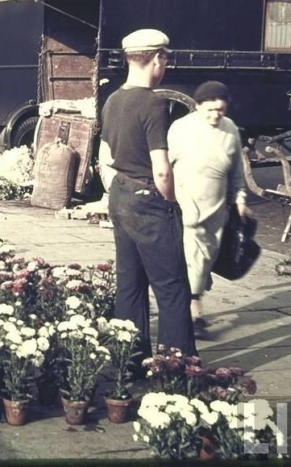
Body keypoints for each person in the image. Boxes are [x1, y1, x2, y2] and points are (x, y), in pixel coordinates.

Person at [98, 28, 197, 360]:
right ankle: (177, 365)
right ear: (157, 59)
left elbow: (106, 155)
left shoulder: (112, 100)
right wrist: (170, 201)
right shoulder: (153, 104)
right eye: (164, 59)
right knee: (172, 289)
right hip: (149, 203)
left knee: (129, 285)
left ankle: (129, 360)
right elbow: (162, 169)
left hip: (120, 197)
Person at [167, 81, 252, 337]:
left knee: (205, 260)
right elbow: (166, 167)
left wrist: (240, 200)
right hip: (187, 204)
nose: (216, 115)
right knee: (194, 258)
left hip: (217, 210)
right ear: (198, 105)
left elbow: (237, 172)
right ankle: (194, 315)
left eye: (220, 110)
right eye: (210, 110)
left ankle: (195, 299)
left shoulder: (231, 130)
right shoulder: (181, 128)